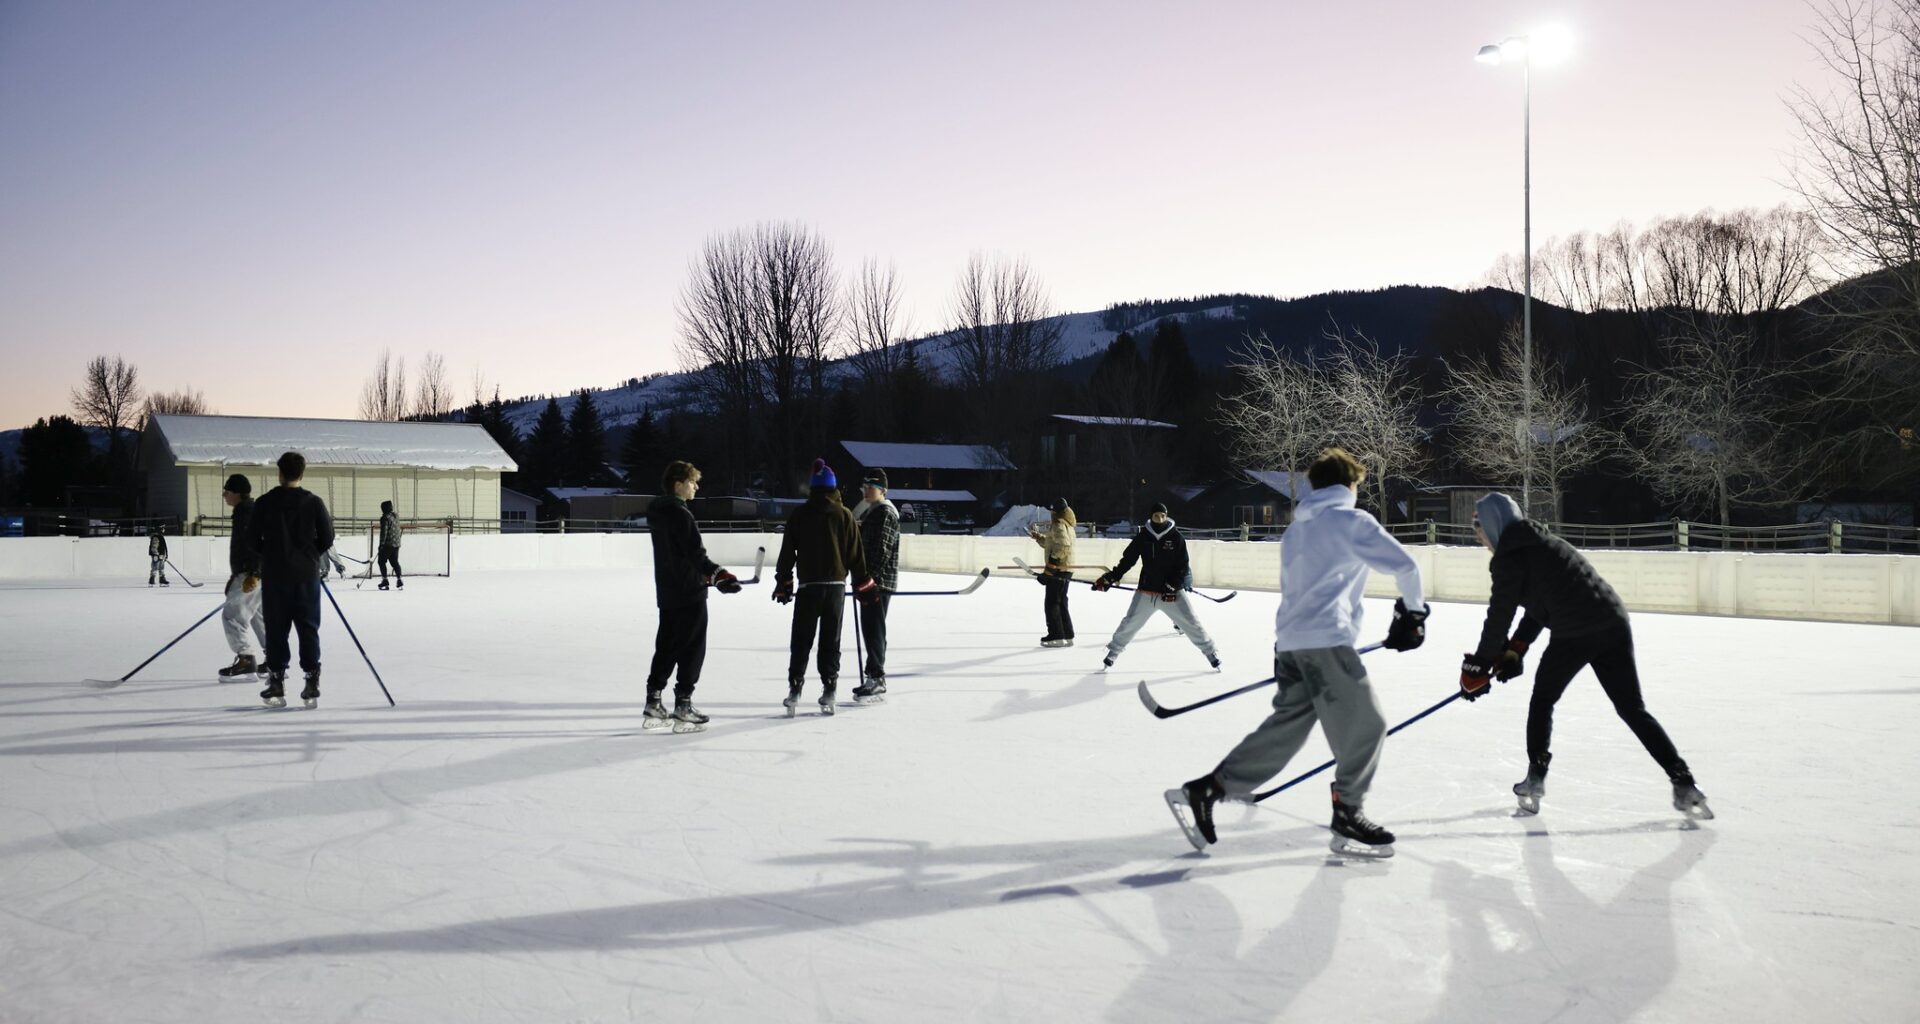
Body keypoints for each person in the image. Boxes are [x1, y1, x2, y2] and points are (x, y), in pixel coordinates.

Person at [1168, 448, 1430, 859]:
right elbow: (1406, 566)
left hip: (1291, 642)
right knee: (1368, 726)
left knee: (1286, 730)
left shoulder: (1297, 530)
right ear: (1349, 485)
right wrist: (1413, 614)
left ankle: (1208, 789)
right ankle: (1348, 810)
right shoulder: (1350, 520)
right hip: (1326, 644)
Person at [1463, 493, 1712, 818]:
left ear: (1494, 526)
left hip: (1576, 633)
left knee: (1542, 701)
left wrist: (1479, 665)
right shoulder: (1545, 543)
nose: (1479, 538)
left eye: (1478, 530)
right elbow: (1541, 606)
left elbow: (1500, 615)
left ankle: (1535, 778)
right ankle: (1684, 782)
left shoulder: (1509, 558)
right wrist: (1516, 648)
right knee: (1632, 709)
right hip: (1613, 622)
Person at [773, 459, 877, 716]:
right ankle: (829, 688)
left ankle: (795, 688)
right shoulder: (844, 515)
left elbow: (787, 553)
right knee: (830, 641)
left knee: (801, 639)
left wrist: (784, 582)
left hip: (809, 587)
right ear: (833, 488)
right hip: (835, 589)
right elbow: (856, 554)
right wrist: (864, 585)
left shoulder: (800, 514)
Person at [643, 460, 740, 733]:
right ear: (678, 484)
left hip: (668, 590)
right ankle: (683, 704)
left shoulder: (657, 513)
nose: (696, 487)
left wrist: (712, 575)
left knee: (667, 645)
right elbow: (695, 554)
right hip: (689, 592)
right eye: (692, 482)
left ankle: (654, 699)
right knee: (693, 647)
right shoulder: (680, 514)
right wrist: (719, 574)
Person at [245, 451, 335, 708]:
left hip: (276, 576)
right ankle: (311, 680)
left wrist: (272, 555)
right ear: (302, 473)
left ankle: (276, 680)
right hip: (306, 576)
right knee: (308, 628)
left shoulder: (264, 503)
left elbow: (252, 540)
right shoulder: (314, 502)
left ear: (280, 472)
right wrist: (309, 555)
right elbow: (327, 538)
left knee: (276, 629)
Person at [1095, 503, 1219, 671]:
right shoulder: (1143, 536)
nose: (1159, 519)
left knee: (1191, 623)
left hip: (1172, 593)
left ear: (1166, 516)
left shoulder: (1176, 537)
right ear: (1151, 517)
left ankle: (1210, 652)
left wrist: (1172, 584)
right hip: (1147, 591)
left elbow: (1183, 566)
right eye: (1156, 516)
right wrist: (1110, 577)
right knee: (1130, 623)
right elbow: (1127, 560)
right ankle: (1113, 652)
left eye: (1162, 516)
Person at [851, 468, 900, 702]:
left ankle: (877, 677)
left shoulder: (885, 513)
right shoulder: (872, 512)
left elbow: (882, 549)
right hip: (868, 582)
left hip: (877, 583)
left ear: (883, 490)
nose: (866, 491)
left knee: (874, 629)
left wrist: (868, 579)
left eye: (871, 487)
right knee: (870, 628)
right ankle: (872, 676)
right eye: (864, 487)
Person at [217, 473, 267, 680]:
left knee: (232, 616)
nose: (223, 495)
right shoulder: (247, 511)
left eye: (227, 491)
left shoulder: (246, 512)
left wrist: (253, 573)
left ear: (236, 493)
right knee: (258, 617)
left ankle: (246, 658)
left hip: (251, 573)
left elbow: (257, 544)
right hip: (253, 573)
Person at [1027, 498, 1077, 647]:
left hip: (1059, 569)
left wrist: (1050, 568)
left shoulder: (1058, 524)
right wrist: (1039, 538)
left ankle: (1056, 635)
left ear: (1056, 512)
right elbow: (1054, 543)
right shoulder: (1067, 523)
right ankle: (1067, 634)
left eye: (1052, 511)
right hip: (1066, 568)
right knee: (1061, 601)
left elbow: (1063, 546)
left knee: (1052, 602)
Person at [376, 500, 402, 590]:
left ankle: (385, 580)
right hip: (396, 544)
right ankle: (399, 580)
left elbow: (384, 532)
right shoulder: (396, 516)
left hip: (387, 544)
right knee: (395, 562)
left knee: (381, 561)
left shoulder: (385, 518)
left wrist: (381, 545)